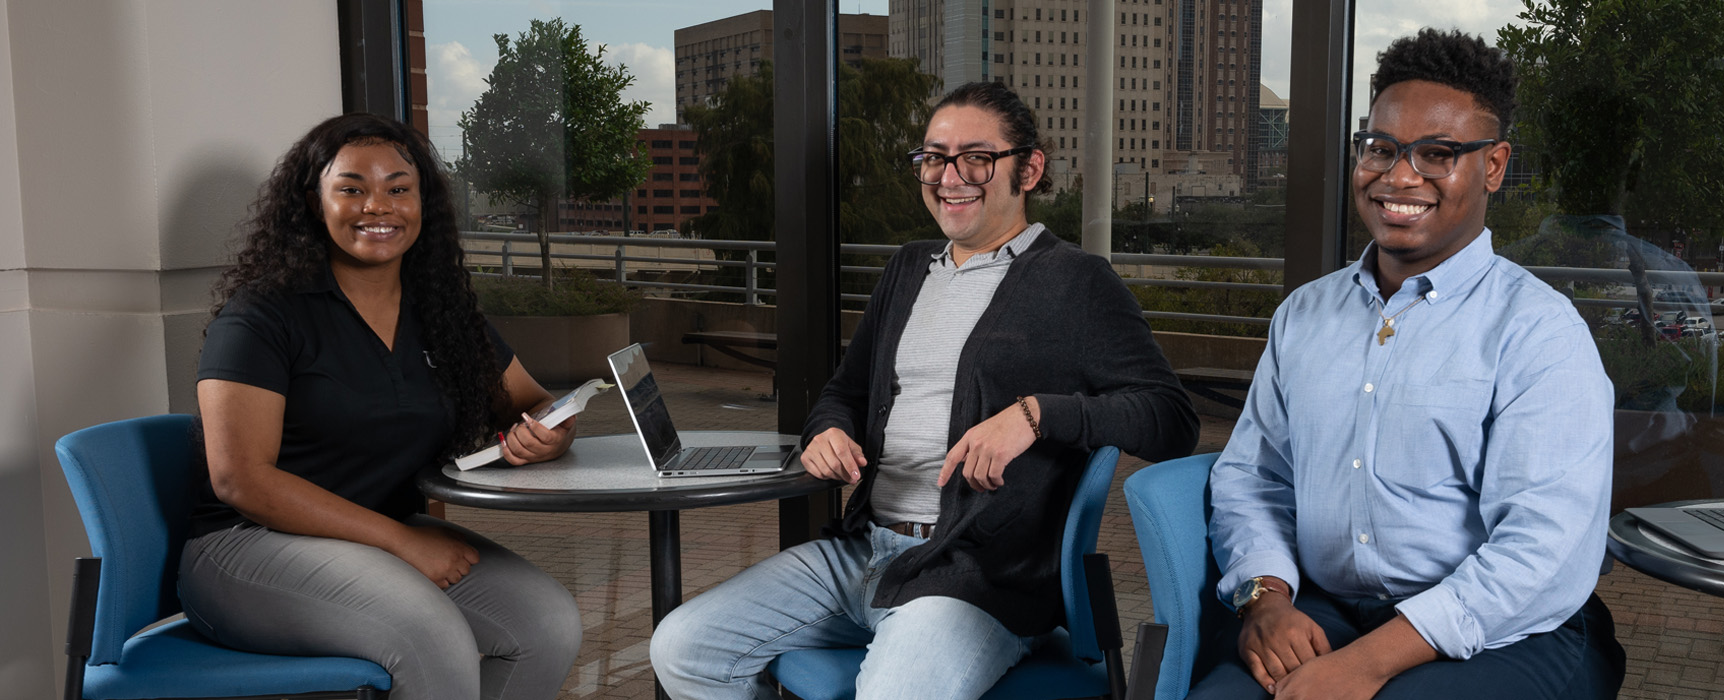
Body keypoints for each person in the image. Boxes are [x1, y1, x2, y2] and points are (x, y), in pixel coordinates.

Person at [651, 81, 1199, 699]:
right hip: (864, 553)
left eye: (976, 157)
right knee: (684, 647)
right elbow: (846, 390)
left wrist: (1037, 414)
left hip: (979, 571)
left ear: (1030, 168)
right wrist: (827, 429)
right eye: (934, 157)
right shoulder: (909, 268)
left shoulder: (1078, 283)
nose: (948, 177)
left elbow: (1170, 420)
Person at [1196, 30, 1627, 700]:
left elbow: (1541, 552)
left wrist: (1365, 665)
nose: (1400, 177)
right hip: (1326, 607)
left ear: (1494, 166)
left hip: (1507, 629)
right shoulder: (1304, 316)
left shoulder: (1539, 333)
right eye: (1381, 149)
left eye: (1437, 154)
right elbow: (1255, 479)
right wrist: (1266, 600)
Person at [179, 113, 583, 700]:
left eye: (398, 188)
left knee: (547, 623)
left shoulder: (441, 313)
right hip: (246, 547)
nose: (379, 206)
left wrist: (553, 434)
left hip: (373, 541)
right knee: (432, 636)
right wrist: (402, 542)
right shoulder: (262, 316)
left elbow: (536, 402)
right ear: (314, 203)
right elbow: (240, 480)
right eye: (352, 188)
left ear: (423, 203)